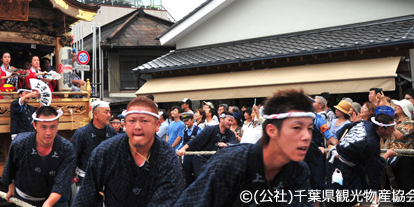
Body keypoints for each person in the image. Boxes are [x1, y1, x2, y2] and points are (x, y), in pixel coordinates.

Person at [174, 89, 315, 207]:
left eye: (309, 129)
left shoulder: (300, 170)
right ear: (271, 130)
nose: (306, 136)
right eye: (297, 127)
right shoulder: (229, 162)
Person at [72, 96, 183, 206]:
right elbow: (85, 197)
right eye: (132, 121)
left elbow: (167, 199)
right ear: (125, 123)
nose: (137, 127)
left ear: (157, 125)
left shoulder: (167, 156)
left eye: (144, 121)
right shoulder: (105, 151)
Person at [2, 106, 76, 207]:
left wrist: (48, 203)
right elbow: (9, 169)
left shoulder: (66, 148)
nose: (48, 133)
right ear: (34, 125)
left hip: (54, 201)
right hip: (24, 200)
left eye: (53, 127)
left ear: (58, 125)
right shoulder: (20, 143)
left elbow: (62, 183)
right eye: (43, 127)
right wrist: (10, 185)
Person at [326, 109, 398, 207]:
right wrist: (388, 154)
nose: (394, 130)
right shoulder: (371, 143)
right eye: (391, 128)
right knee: (343, 198)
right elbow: (374, 170)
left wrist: (339, 140)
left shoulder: (365, 123)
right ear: (381, 129)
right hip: (343, 168)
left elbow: (346, 126)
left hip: (341, 162)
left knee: (352, 194)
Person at [71, 100, 116, 186]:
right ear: (95, 114)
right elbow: (73, 156)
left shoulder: (111, 132)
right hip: (86, 176)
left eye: (110, 112)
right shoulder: (82, 133)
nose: (109, 115)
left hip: (107, 176)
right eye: (106, 112)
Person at [386, 99, 414, 206]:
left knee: (407, 182)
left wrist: (391, 125)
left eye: (398, 106)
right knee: (397, 183)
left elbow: (400, 135)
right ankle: (400, 203)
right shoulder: (396, 121)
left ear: (404, 109)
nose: (395, 107)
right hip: (393, 155)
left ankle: (411, 205)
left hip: (405, 156)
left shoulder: (410, 122)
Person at [180, 113, 201, 188]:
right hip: (186, 155)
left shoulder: (198, 130)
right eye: (184, 121)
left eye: (187, 120)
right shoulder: (184, 130)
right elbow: (182, 142)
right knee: (187, 174)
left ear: (192, 119)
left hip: (196, 155)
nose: (186, 122)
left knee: (197, 173)